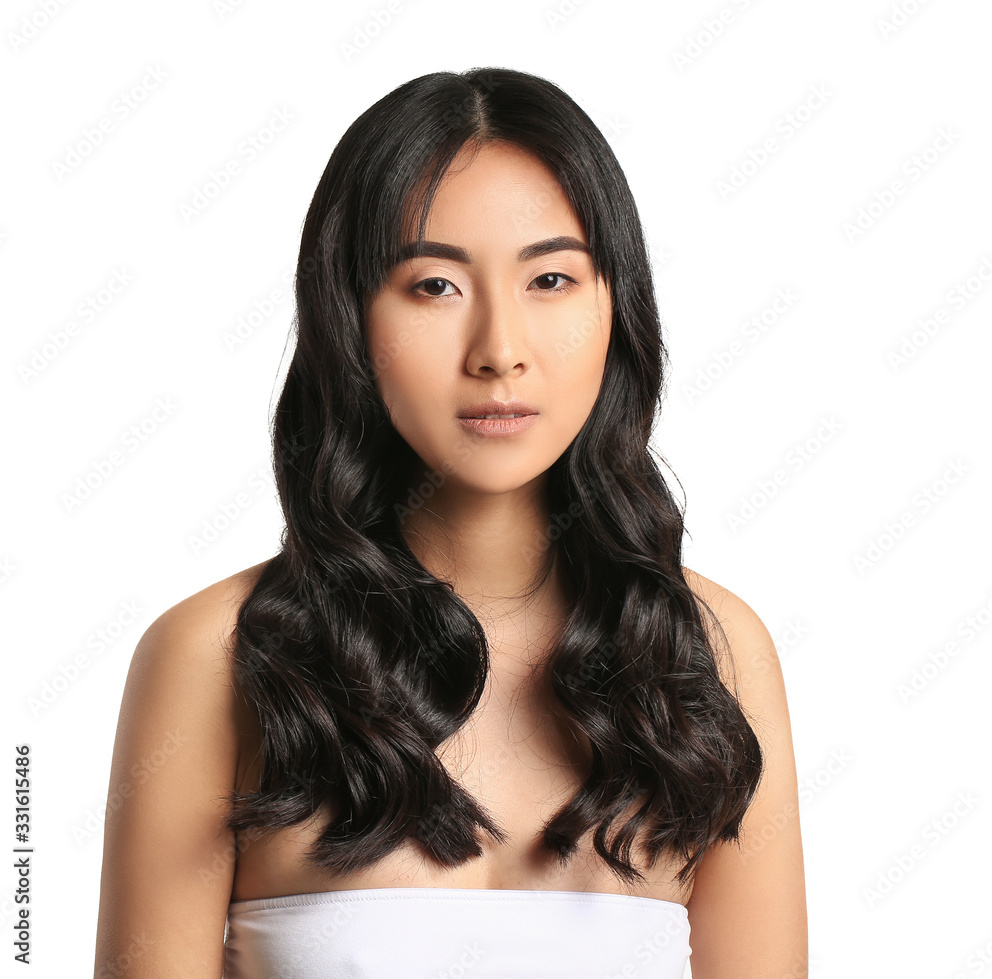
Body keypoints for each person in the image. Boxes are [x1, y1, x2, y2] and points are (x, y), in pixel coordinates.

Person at [93, 67, 807, 978]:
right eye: (435, 286)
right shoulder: (217, 656)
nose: (500, 349)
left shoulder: (710, 652)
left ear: (613, 307)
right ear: (348, 316)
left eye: (550, 278)